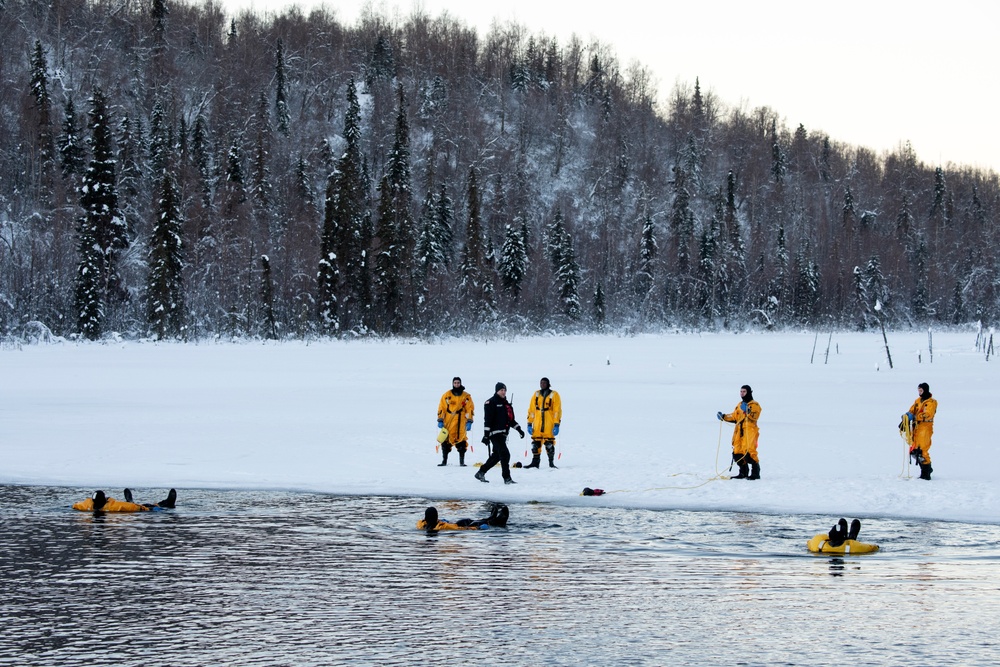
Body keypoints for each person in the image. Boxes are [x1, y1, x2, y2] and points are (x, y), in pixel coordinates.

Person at [475, 382, 525, 484]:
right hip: (494, 434)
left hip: (503, 435)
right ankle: (507, 478)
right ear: (497, 391)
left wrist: (519, 429)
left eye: (504, 390)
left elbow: (511, 420)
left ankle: (481, 472)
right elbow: (487, 420)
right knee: (505, 454)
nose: (503, 392)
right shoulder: (490, 403)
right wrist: (486, 435)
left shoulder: (506, 405)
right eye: (501, 390)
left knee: (497, 456)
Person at [717, 384, 762, 480]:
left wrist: (748, 410)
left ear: (749, 392)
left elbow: (755, 415)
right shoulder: (739, 405)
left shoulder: (754, 405)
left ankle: (755, 473)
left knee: (749, 451)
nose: (742, 393)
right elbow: (734, 416)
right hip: (739, 432)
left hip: (750, 431)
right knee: (737, 451)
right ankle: (743, 472)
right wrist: (724, 417)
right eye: (741, 391)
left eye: (744, 391)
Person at [436, 376, 475, 467]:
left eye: (458, 383)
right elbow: (442, 407)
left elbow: (469, 409)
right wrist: (440, 419)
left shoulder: (466, 396)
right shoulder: (447, 395)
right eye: (455, 383)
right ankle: (444, 461)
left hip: (460, 421)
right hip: (449, 421)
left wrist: (469, 420)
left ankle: (462, 462)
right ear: (453, 384)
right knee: (446, 441)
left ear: (460, 383)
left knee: (461, 440)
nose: (456, 384)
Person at [525, 377, 562, 468]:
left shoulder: (554, 395)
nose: (542, 384)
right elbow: (531, 409)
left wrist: (556, 424)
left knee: (549, 444)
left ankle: (551, 463)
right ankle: (535, 462)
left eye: (544, 383)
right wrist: (529, 423)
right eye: (541, 383)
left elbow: (557, 410)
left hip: (549, 423)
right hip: (537, 423)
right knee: (535, 444)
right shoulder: (536, 394)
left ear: (548, 384)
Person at [906, 382, 938, 480]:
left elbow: (928, 414)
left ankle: (926, 472)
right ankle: (924, 469)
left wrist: (916, 416)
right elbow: (912, 410)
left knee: (922, 450)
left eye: (921, 390)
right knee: (915, 450)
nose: (919, 392)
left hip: (925, 428)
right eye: (918, 390)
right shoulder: (918, 401)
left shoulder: (931, 402)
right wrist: (907, 416)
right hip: (916, 428)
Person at [72, 488, 176, 512]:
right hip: (130, 508)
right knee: (147, 506)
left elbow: (75, 505)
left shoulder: (115, 506)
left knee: (144, 505)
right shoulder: (87, 504)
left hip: (130, 506)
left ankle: (166, 503)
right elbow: (76, 505)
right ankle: (167, 504)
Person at [416, 504, 510, 531]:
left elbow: (422, 522)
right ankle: (498, 521)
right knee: (474, 523)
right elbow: (461, 529)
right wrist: (476, 528)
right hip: (457, 526)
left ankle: (491, 517)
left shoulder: (421, 524)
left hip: (454, 523)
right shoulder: (442, 527)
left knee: (468, 520)